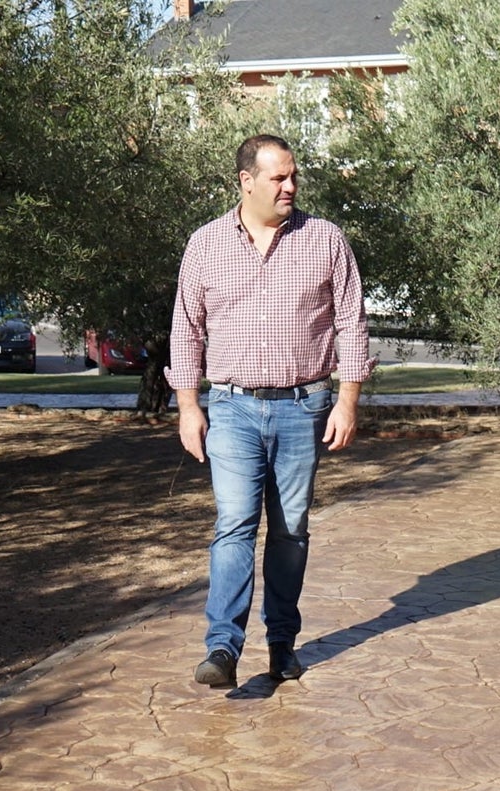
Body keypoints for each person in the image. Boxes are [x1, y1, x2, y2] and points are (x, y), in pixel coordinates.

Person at [167, 134, 373, 688]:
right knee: (234, 524)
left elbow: (351, 324)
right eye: (279, 177)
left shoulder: (325, 240)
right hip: (231, 407)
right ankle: (223, 650)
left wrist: (347, 399)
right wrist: (189, 407)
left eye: (294, 176)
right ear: (246, 181)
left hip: (304, 407)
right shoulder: (205, 244)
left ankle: (282, 643)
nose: (291, 186)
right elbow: (186, 329)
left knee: (290, 531)